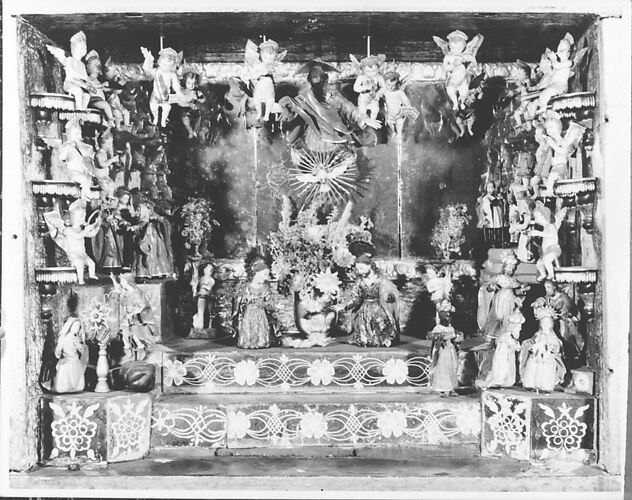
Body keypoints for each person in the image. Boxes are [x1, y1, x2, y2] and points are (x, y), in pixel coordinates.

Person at [278, 65, 381, 152]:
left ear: (326, 80)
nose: (318, 83)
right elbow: (293, 106)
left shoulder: (334, 96)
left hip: (336, 138)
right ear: (309, 81)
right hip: (315, 138)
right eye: (314, 80)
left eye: (321, 80)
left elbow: (349, 108)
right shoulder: (304, 96)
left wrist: (363, 118)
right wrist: (286, 110)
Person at [340, 254, 400, 348]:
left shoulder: (381, 280)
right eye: (358, 269)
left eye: (361, 268)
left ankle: (385, 339)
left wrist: (387, 296)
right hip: (365, 311)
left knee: (382, 323)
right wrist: (344, 306)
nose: (359, 271)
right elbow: (356, 298)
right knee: (364, 330)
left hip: (379, 309)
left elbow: (391, 293)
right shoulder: (360, 282)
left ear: (370, 266)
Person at [520, 299, 566, 392]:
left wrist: (551, 347)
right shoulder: (538, 334)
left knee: (546, 370)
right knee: (532, 367)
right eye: (543, 323)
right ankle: (530, 384)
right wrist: (529, 343)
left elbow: (557, 346)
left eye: (547, 323)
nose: (545, 325)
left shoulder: (553, 336)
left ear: (551, 324)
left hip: (547, 357)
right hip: (536, 357)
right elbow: (532, 341)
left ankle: (545, 387)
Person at [232, 260, 279, 349]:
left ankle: (261, 342)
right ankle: (248, 342)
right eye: (265, 274)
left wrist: (263, 303)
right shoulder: (246, 287)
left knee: (261, 329)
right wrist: (245, 300)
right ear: (256, 273)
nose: (266, 277)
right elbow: (239, 301)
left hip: (260, 313)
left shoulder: (265, 288)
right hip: (248, 313)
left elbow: (270, 302)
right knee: (248, 328)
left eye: (267, 274)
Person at [428, 300, 463, 396]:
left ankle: (451, 388)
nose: (449, 318)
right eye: (447, 316)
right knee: (443, 368)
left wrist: (457, 338)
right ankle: (443, 388)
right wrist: (447, 336)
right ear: (442, 317)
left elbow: (454, 339)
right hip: (442, 351)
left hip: (450, 350)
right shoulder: (438, 328)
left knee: (452, 367)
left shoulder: (451, 328)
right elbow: (436, 339)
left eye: (450, 316)